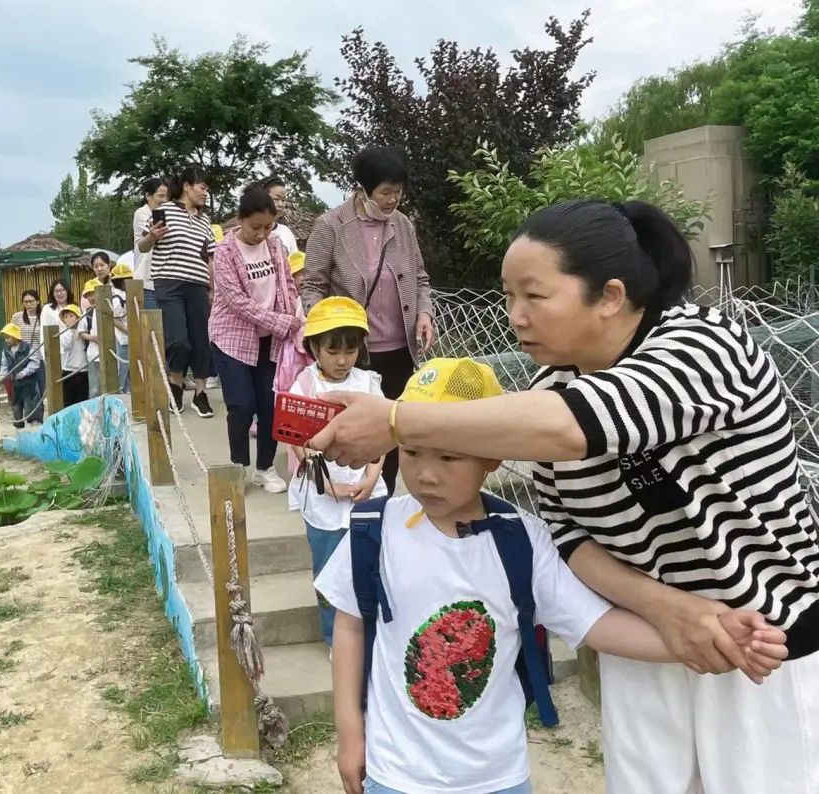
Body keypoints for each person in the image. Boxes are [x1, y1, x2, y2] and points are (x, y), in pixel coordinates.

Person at [307, 199, 819, 794]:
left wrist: (398, 422)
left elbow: (578, 425)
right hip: (651, 641)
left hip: (762, 645)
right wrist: (667, 609)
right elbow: (571, 536)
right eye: (508, 296)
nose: (515, 316)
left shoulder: (704, 347)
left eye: (535, 296)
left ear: (608, 296)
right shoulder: (552, 386)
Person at [314, 357, 790, 794]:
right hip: (395, 774)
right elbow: (351, 626)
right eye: (413, 453)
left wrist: (707, 638)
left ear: (492, 456)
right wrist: (350, 734)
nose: (426, 476)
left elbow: (598, 627)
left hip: (496, 778)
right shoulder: (375, 532)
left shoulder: (523, 540)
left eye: (450, 457)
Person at [303, 146, 435, 494]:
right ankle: (340, 495)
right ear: (361, 188)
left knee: (392, 429)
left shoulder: (403, 225)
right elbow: (312, 284)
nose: (393, 200)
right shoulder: (330, 225)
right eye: (385, 192)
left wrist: (424, 313)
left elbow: (420, 278)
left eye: (399, 192)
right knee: (352, 429)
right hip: (354, 351)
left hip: (399, 348)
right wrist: (327, 332)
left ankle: (383, 495)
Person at [288, 297, 386, 647]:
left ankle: (373, 636)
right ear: (314, 347)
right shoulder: (305, 386)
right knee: (329, 571)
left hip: (366, 493)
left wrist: (372, 476)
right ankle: (335, 639)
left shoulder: (368, 384)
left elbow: (384, 436)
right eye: (333, 351)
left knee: (371, 566)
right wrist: (326, 485)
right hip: (323, 498)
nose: (343, 360)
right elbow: (297, 440)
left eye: (351, 350)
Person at [209, 187, 303, 493]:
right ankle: (239, 467)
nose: (261, 234)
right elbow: (238, 303)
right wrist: (281, 322)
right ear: (240, 220)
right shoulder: (224, 252)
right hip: (232, 338)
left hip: (270, 340)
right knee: (241, 405)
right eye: (255, 227)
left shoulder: (275, 244)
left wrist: (292, 320)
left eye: (267, 227)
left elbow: (287, 283)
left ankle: (264, 468)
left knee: (270, 405)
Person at [137, 165, 216, 417]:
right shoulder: (165, 211)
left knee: (201, 340)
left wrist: (213, 288)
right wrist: (152, 235)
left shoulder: (205, 220)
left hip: (198, 285)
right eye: (202, 187)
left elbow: (210, 258)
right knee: (179, 341)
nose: (205, 193)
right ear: (187, 186)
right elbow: (143, 245)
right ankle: (176, 384)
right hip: (168, 283)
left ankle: (201, 394)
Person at [130, 177, 169, 309]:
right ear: (148, 196)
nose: (164, 200)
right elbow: (152, 238)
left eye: (167, 197)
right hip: (147, 283)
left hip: (166, 282)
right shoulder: (141, 213)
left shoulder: (170, 215)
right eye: (161, 196)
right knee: (151, 327)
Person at [10, 289, 46, 424]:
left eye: (31, 301)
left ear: (37, 302)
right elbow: (12, 336)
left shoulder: (43, 316)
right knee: (22, 390)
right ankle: (20, 419)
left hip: (39, 358)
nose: (28, 304)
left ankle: (37, 419)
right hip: (21, 359)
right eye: (25, 302)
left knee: (38, 390)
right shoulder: (17, 317)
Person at [0, 323, 42, 429]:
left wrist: (25, 372)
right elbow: (4, 365)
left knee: (30, 402)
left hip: (28, 382)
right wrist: (2, 375)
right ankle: (18, 425)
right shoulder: (6, 351)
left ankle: (34, 424)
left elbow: (35, 362)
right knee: (16, 404)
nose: (6, 340)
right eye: (5, 338)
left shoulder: (27, 348)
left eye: (8, 337)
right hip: (14, 383)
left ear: (15, 337)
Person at [57, 304, 90, 407]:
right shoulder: (63, 332)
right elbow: (66, 345)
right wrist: (70, 331)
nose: (68, 319)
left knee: (82, 400)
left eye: (71, 316)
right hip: (68, 370)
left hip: (83, 369)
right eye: (65, 317)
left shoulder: (84, 330)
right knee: (68, 400)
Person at [260, 175, 298, 256]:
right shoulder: (249, 233)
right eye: (276, 199)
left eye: (283, 200)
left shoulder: (285, 231)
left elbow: (295, 262)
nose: (281, 204)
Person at [109, 262, 132, 392]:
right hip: (122, 339)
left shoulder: (124, 295)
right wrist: (129, 331)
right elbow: (114, 319)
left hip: (127, 338)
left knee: (128, 369)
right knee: (122, 369)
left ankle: (126, 391)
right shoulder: (118, 297)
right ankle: (120, 390)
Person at [78, 279, 102, 398]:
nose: (91, 297)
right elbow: (81, 332)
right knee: (94, 389)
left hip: (112, 353)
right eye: (88, 295)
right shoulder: (87, 312)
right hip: (93, 354)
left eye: (93, 293)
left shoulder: (110, 308)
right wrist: (93, 338)